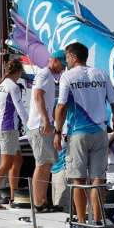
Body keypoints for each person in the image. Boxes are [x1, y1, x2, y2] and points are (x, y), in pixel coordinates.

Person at [53, 42, 114, 226]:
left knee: (78, 180)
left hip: (77, 134)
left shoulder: (67, 77)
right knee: (98, 180)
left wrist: (57, 131)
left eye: (67, 58)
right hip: (100, 133)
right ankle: (96, 222)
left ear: (73, 57)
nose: (66, 61)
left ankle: (81, 221)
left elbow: (61, 106)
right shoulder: (101, 74)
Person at [25, 51, 67, 211]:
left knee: (47, 164)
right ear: (55, 61)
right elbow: (38, 96)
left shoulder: (47, 75)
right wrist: (45, 120)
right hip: (40, 125)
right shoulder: (44, 74)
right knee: (42, 165)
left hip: (42, 125)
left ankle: (42, 200)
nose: (63, 68)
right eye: (62, 64)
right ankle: (38, 203)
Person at [0, 59, 28, 209]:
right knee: (5, 165)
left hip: (3, 130)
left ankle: (12, 197)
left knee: (17, 161)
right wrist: (30, 126)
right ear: (18, 72)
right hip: (9, 131)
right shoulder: (13, 87)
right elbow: (20, 109)